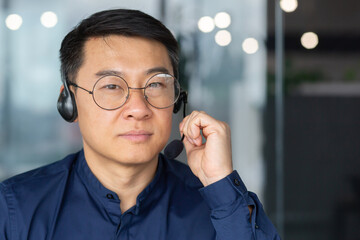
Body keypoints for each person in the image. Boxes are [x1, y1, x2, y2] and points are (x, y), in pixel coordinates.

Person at [0, 9, 280, 239]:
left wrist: (220, 182)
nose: (138, 109)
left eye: (156, 84)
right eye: (111, 85)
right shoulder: (14, 210)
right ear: (69, 102)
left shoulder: (220, 206)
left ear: (177, 100)